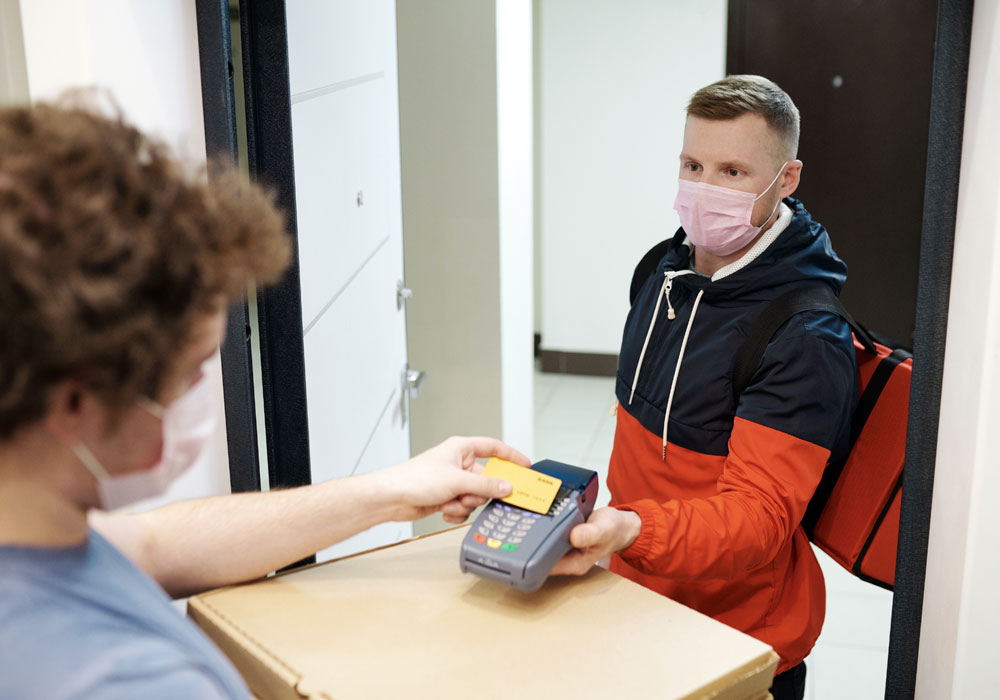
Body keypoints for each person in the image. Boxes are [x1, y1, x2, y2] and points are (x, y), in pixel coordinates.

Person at [0, 102, 527, 699]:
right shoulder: (122, 681)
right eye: (191, 373)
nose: (202, 396)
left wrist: (391, 490)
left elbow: (153, 545)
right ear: (75, 403)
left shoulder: (41, 530)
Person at [551, 75, 858, 700]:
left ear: (787, 180)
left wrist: (634, 529)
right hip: (637, 601)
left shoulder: (805, 335)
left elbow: (757, 519)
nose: (704, 190)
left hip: (734, 638)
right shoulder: (663, 270)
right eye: (692, 165)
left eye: (732, 172)